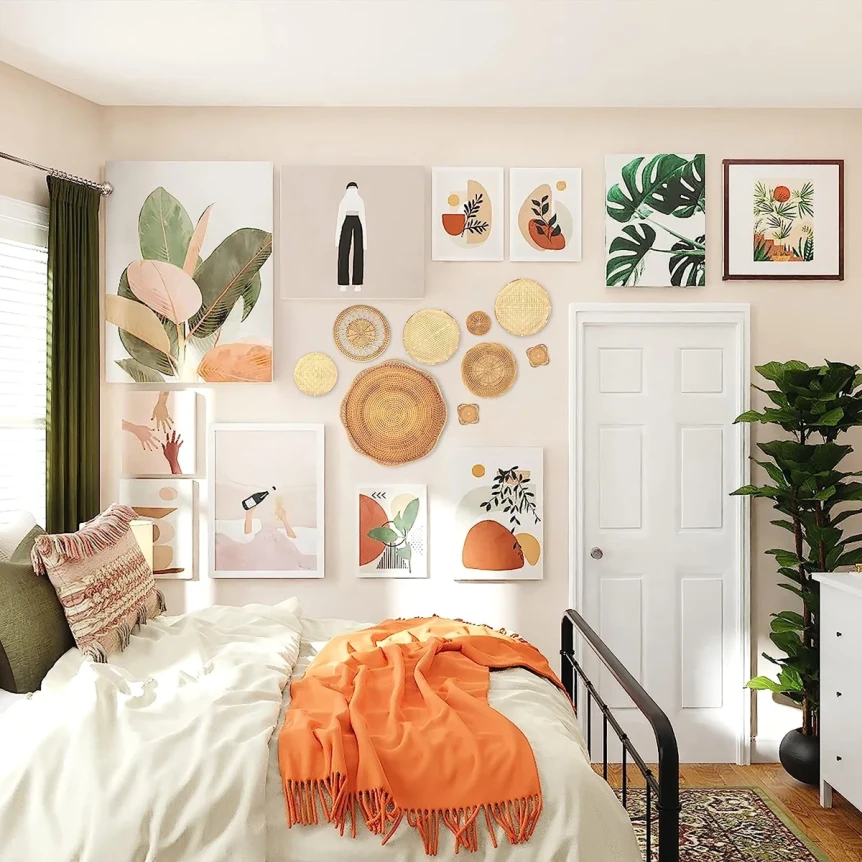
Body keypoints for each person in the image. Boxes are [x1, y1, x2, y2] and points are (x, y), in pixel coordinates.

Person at [335, 181, 367, 291]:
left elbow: (363, 219)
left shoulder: (360, 201)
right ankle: (343, 282)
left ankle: (357, 282)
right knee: (343, 251)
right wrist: (337, 239)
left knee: (358, 251)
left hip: (357, 222)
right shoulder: (344, 202)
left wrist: (365, 242)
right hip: (346, 222)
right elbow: (339, 220)